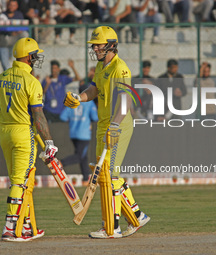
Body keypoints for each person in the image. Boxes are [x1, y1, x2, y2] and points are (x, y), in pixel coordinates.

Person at [64, 26, 150, 238]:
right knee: (110, 175)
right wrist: (79, 98)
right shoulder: (101, 66)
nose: (94, 48)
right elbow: (94, 89)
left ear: (111, 44)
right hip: (104, 124)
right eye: (94, 44)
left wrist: (114, 126)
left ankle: (112, 228)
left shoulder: (121, 69)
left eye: (98, 44)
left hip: (117, 125)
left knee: (109, 176)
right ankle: (137, 215)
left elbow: (125, 100)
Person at [0, 37, 58, 241]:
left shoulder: (1, 76)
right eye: (35, 55)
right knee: (21, 181)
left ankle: (26, 225)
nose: (37, 58)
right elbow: (38, 116)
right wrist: (49, 142)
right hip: (23, 133)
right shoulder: (32, 81)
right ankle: (11, 227)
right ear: (29, 57)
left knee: (20, 179)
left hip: (4, 131)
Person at [60, 85, 98, 185]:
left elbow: (63, 117)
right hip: (84, 133)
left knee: (83, 157)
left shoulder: (73, 102)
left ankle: (85, 179)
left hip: (73, 133)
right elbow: (95, 117)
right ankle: (61, 163)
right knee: (80, 156)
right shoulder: (89, 103)